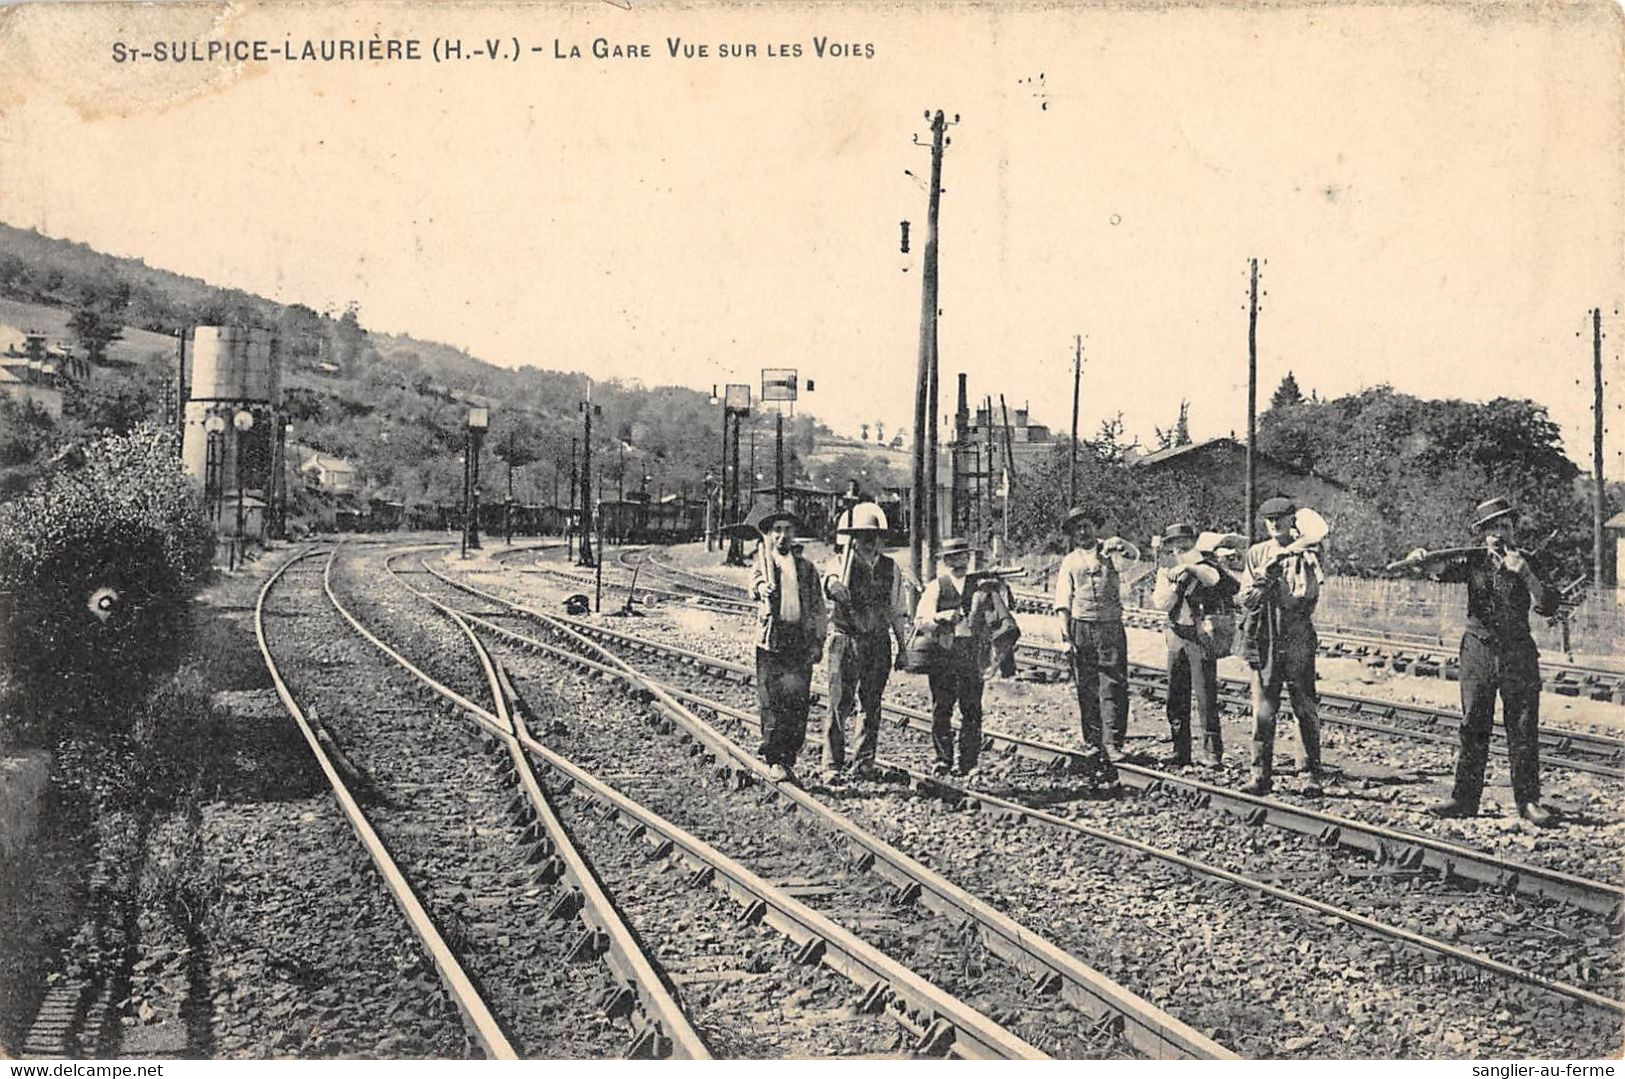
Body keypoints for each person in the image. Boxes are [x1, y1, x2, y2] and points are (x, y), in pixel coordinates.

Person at [1405, 497, 1560, 825]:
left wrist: (1527, 574)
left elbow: (1548, 605)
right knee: (1473, 724)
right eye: (1492, 529)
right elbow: (1440, 569)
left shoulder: (1529, 561)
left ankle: (1528, 802)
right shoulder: (1473, 561)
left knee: (1522, 727)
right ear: (1483, 534)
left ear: (1513, 530)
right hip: (1478, 650)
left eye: (1505, 526)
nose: (1499, 535)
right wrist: (1422, 560)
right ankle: (1464, 799)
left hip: (1518, 652)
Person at [1238, 496, 1324, 796]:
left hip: (1297, 632)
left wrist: (1282, 564)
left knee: (1304, 705)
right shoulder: (1257, 553)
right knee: (1263, 707)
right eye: (1270, 520)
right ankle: (1260, 774)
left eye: (1281, 519)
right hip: (1265, 633)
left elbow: (1308, 593)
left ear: (1292, 520)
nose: (1275, 524)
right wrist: (1263, 582)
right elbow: (1245, 597)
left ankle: (1311, 774)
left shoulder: (1309, 552)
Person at [821, 502, 909, 782]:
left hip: (877, 641)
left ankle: (863, 762)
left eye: (875, 538)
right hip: (845, 639)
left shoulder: (891, 568)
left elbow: (896, 610)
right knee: (839, 703)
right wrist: (834, 587)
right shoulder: (840, 562)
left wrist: (903, 648)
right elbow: (830, 582)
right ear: (854, 539)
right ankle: (831, 765)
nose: (871, 543)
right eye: (864, 538)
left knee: (871, 704)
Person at [1052, 506, 1134, 781]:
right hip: (1081, 627)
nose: (1083, 532)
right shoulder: (1069, 562)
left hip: (1110, 626)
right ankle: (1093, 741)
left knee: (1113, 683)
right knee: (1086, 685)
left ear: (1095, 527)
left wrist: (1122, 545)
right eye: (1078, 529)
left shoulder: (1112, 552)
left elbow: (1134, 559)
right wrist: (1066, 637)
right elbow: (1063, 601)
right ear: (1073, 534)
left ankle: (1112, 743)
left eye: (1087, 526)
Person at [747, 506, 827, 784]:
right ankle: (773, 758)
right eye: (777, 530)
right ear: (769, 535)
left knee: (797, 701)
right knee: (772, 699)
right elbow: (755, 582)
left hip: (799, 640)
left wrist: (818, 641)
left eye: (787, 530)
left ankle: (788, 758)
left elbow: (818, 606)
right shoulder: (764, 563)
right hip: (772, 639)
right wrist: (761, 589)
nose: (782, 536)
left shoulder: (806, 568)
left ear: (794, 534)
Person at [1151, 523, 1239, 767]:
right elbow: (1161, 602)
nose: (1180, 547)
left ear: (1193, 541)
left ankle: (1212, 753)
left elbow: (1213, 580)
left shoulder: (1206, 564)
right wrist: (1175, 585)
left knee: (1205, 695)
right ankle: (1180, 750)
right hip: (1176, 634)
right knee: (1175, 695)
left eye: (1185, 541)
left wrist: (1190, 567)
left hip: (1201, 635)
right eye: (1175, 542)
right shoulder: (1166, 569)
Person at [915, 537, 992, 777]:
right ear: (945, 561)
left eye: (962, 556)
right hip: (944, 652)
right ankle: (943, 759)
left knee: (971, 708)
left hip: (971, 652)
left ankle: (969, 762)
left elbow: (1001, 611)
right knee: (942, 707)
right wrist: (941, 617)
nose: (958, 562)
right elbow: (920, 621)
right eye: (952, 557)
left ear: (968, 559)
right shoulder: (937, 586)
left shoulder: (981, 584)